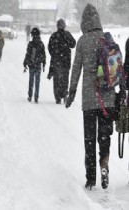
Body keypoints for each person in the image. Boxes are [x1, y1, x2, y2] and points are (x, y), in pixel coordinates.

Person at [65, 3, 126, 190]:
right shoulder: (106, 39)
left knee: (89, 139)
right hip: (107, 99)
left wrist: (72, 91)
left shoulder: (83, 41)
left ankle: (91, 177)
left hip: (89, 100)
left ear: (84, 22)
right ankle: (104, 163)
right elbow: (117, 67)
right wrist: (121, 91)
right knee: (104, 136)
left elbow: (76, 68)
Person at [48, 18, 76, 104]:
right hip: (66, 61)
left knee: (57, 80)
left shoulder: (54, 36)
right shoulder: (67, 35)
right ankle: (64, 94)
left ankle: (57, 97)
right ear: (64, 26)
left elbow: (50, 48)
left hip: (56, 61)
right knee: (65, 79)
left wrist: (55, 54)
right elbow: (73, 44)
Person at [23, 27, 46, 103]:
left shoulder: (31, 44)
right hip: (38, 65)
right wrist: (43, 63)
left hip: (31, 65)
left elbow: (28, 54)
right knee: (37, 82)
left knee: (31, 81)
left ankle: (30, 96)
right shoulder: (41, 44)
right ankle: (36, 97)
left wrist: (25, 63)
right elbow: (44, 55)